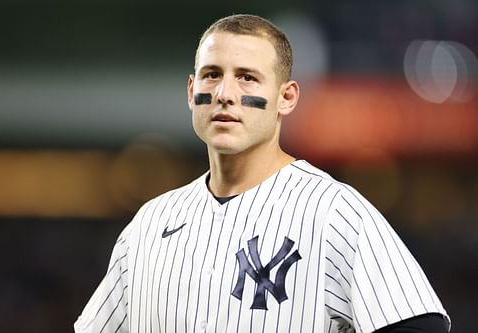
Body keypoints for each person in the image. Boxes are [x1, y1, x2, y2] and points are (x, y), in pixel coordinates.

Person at [74, 14, 450, 332]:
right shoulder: (149, 224)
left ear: (286, 97)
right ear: (191, 92)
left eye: (247, 78)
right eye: (211, 74)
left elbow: (418, 322)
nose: (225, 93)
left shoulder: (333, 211)